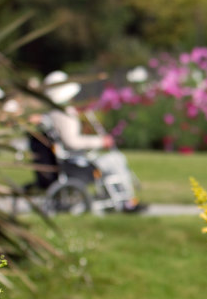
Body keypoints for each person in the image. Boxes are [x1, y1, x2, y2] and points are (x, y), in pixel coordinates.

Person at [43, 71, 144, 212]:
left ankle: (121, 198)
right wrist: (100, 142)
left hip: (72, 161)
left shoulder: (52, 113)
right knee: (116, 159)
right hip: (76, 164)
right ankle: (126, 201)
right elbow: (72, 142)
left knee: (112, 160)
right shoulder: (64, 114)